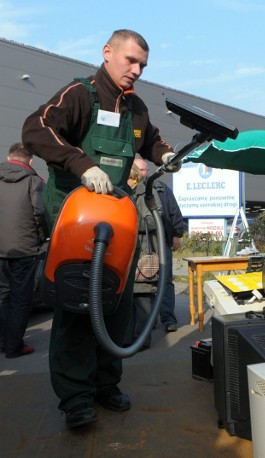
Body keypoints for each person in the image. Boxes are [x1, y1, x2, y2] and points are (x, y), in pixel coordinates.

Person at [22, 29, 180, 429]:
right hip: (78, 224)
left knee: (116, 304)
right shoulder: (79, 95)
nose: (137, 70)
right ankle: (76, 397)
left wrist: (166, 154)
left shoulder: (136, 109)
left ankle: (107, 384)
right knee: (78, 305)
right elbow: (36, 129)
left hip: (119, 224)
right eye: (130, 60)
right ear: (107, 52)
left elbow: (153, 142)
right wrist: (81, 164)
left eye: (142, 64)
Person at [0, 143, 47, 359]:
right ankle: (13, 346)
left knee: (3, 295)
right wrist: (39, 238)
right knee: (21, 299)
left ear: (9, 158)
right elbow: (39, 213)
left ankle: (3, 342)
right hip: (25, 249)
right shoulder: (33, 181)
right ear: (30, 160)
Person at [133, 157, 184, 333]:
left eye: (145, 170)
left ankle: (168, 318)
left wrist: (177, 234)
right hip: (141, 245)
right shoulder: (130, 190)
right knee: (145, 282)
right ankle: (149, 320)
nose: (143, 173)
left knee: (165, 280)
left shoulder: (161, 188)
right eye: (139, 170)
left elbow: (174, 211)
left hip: (162, 242)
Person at [127, 163, 160, 349]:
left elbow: (153, 221)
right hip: (127, 255)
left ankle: (141, 340)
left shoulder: (147, 193)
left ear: (133, 177)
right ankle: (127, 338)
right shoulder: (124, 192)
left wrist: (128, 217)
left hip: (143, 254)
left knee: (142, 300)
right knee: (128, 301)